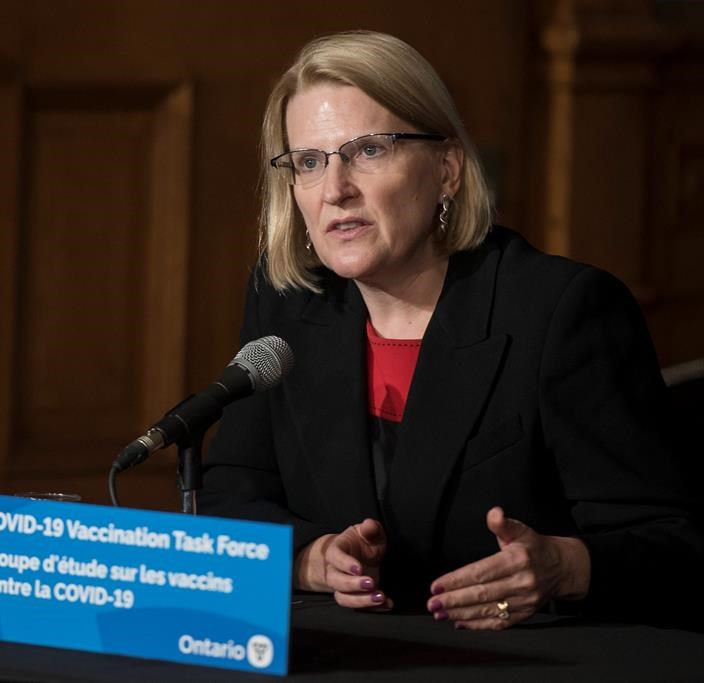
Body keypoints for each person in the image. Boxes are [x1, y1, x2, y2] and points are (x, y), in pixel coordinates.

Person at [198, 30, 701, 630]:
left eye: (368, 151)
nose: (336, 190)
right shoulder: (287, 303)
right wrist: (307, 557)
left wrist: (566, 567)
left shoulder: (561, 310)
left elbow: (676, 547)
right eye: (309, 162)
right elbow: (230, 494)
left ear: (447, 169)